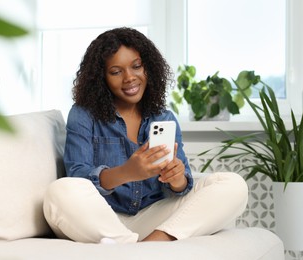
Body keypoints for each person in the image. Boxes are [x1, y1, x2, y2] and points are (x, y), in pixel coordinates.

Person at [43, 27, 248, 244]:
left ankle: (150, 244)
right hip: (102, 219)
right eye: (116, 72)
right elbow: (77, 176)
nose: (129, 78)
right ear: (101, 79)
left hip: (153, 218)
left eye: (136, 66)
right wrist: (126, 172)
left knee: (233, 185)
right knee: (59, 191)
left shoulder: (164, 118)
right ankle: (137, 248)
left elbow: (181, 188)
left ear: (148, 68)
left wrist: (176, 178)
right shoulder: (83, 115)